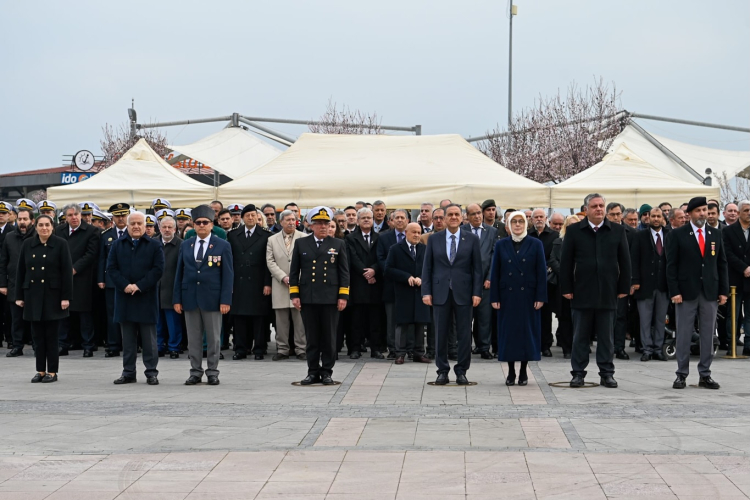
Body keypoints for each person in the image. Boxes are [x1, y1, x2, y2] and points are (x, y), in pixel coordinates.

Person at [560, 193, 631, 389]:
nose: (599, 209)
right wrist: (566, 287)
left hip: (608, 291)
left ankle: (607, 373)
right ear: (586, 210)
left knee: (606, 337)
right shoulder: (574, 231)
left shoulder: (617, 230)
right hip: (581, 291)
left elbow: (625, 261)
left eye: (601, 206)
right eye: (594, 206)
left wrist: (624, 286)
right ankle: (578, 373)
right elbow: (566, 262)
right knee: (580, 336)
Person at [666, 196, 728, 390]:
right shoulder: (677, 234)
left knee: (708, 334)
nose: (703, 214)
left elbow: (721, 263)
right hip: (686, 292)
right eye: (698, 210)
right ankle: (681, 374)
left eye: (705, 210)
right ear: (690, 214)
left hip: (709, 291)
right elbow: (671, 265)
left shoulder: (715, 234)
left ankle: (705, 374)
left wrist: (723, 291)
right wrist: (674, 291)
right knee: (684, 333)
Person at [422, 203, 483, 385]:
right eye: (450, 214)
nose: (454, 217)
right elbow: (427, 267)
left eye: (457, 214)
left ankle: (462, 370)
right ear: (445, 218)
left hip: (464, 293)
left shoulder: (472, 239)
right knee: (440, 333)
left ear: (462, 217)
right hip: (440, 292)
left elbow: (477, 269)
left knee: (464, 334)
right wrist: (426, 291)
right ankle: (442, 371)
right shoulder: (434, 239)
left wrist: (477, 292)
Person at [173, 205, 234, 386]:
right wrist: (177, 299)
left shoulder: (222, 245)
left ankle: (213, 371)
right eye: (198, 222)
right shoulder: (186, 244)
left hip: (213, 298)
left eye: (205, 222)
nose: (201, 225)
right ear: (193, 224)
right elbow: (179, 273)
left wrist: (225, 300)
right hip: (190, 297)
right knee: (193, 339)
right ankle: (195, 371)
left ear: (211, 224)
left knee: (214, 338)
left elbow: (228, 275)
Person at [289, 206, 350, 385]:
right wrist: (295, 294)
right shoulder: (301, 243)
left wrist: (343, 296)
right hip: (308, 297)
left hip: (330, 297)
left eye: (326, 223)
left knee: (329, 337)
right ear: (311, 225)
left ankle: (327, 372)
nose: (323, 226)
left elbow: (344, 273)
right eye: (319, 223)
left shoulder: (338, 244)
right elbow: (294, 272)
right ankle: (312, 371)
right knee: (312, 337)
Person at [107, 212, 164, 385]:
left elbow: (158, 270)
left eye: (140, 223)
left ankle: (151, 372)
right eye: (133, 224)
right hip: (125, 298)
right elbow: (112, 269)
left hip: (146, 298)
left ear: (145, 225)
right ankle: (128, 372)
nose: (136, 226)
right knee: (128, 341)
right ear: (128, 225)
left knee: (149, 341)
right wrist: (125, 285)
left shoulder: (154, 245)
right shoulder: (117, 245)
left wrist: (139, 286)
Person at [490, 211, 547, 385]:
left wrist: (540, 296)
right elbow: (495, 272)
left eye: (520, 221)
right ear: (508, 225)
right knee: (509, 334)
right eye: (513, 221)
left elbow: (541, 272)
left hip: (528, 296)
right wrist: (494, 296)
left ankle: (523, 370)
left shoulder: (535, 244)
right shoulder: (501, 244)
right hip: (507, 296)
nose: (517, 224)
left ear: (526, 224)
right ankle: (511, 371)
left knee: (526, 334)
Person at [15, 215, 73, 383]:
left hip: (52, 296)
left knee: (51, 337)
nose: (44, 228)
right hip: (32, 295)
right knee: (37, 337)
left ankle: (52, 371)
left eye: (47, 225)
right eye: (41, 225)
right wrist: (18, 295)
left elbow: (66, 272)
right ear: (36, 226)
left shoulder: (61, 244)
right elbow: (21, 271)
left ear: (52, 226)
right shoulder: (28, 244)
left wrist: (66, 297)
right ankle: (40, 370)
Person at [227, 204, 272, 360]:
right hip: (239, 281)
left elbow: (268, 262)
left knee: (259, 318)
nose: (251, 218)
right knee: (239, 317)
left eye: (253, 215)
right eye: (248, 216)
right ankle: (240, 348)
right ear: (242, 218)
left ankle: (259, 349)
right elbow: (229, 261)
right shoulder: (233, 235)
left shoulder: (266, 235)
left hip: (258, 281)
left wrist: (267, 283)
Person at [55, 203, 100, 357]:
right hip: (62, 277)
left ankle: (88, 345)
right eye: (70, 215)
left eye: (76, 214)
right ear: (65, 217)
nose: (74, 217)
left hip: (83, 278)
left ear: (80, 215)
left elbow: (91, 254)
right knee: (63, 312)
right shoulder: (59, 230)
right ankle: (62, 344)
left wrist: (74, 269)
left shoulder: (92, 231)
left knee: (84, 314)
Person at [386, 222, 431, 364]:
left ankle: (419, 353)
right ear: (406, 233)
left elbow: (430, 268)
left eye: (419, 232)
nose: (417, 235)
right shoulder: (395, 249)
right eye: (414, 232)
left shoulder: (425, 249)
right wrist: (406, 277)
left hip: (420, 292)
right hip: (403, 292)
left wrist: (422, 278)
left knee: (420, 324)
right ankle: (400, 353)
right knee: (402, 323)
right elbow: (388, 269)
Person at [266, 209, 308, 361]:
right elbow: (270, 261)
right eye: (288, 220)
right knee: (281, 321)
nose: (291, 222)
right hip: (280, 284)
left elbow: (307, 261)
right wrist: (283, 277)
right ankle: (282, 349)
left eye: (293, 220)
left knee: (300, 320)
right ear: (281, 222)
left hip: (299, 285)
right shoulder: (272, 239)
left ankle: (301, 349)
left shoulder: (304, 238)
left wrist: (296, 278)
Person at [345, 208, 385, 359]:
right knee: (356, 319)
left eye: (369, 217)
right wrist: (366, 273)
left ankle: (376, 349)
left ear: (373, 220)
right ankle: (355, 348)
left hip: (375, 283)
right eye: (363, 218)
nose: (366, 220)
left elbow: (381, 257)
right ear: (358, 220)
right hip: (358, 283)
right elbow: (353, 258)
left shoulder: (379, 237)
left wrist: (374, 270)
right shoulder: (350, 238)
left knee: (375, 319)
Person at [630, 207, 669, 362]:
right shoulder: (640, 236)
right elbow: (634, 259)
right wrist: (635, 281)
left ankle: (658, 349)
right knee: (645, 320)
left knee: (660, 319)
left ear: (663, 218)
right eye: (653, 216)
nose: (656, 219)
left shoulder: (670, 235)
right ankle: (647, 349)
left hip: (664, 285)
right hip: (644, 285)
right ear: (648, 218)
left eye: (658, 216)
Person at [463, 203, 497, 359]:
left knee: (484, 317)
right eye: (473, 214)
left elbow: (494, 256)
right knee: (465, 317)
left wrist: (490, 277)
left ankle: (484, 347)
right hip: (466, 282)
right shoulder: (462, 231)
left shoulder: (492, 231)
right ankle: (465, 347)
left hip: (485, 282)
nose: (477, 216)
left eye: (478, 213)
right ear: (467, 216)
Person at [0, 207, 36, 356]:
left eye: (25, 219)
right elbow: (3, 262)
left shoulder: (38, 236)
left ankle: (37, 346)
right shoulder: (9, 237)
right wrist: (3, 284)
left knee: (35, 318)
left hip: (34, 284)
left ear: (32, 221)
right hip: (14, 283)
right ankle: (17, 346)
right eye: (20, 219)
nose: (22, 222)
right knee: (16, 319)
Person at [97, 203, 130, 357]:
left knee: (130, 313)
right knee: (112, 314)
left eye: (123, 215)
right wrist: (101, 279)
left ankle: (130, 344)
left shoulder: (133, 233)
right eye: (117, 216)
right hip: (111, 281)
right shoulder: (106, 235)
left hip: (130, 281)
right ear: (113, 218)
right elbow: (101, 259)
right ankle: (113, 345)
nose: (121, 218)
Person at [377, 209, 409, 357]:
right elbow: (381, 259)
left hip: (409, 285)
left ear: (407, 221)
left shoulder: (413, 235)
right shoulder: (383, 238)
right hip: (390, 284)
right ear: (391, 221)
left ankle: (409, 348)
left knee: (408, 318)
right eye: (397, 218)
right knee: (391, 319)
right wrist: (397, 274)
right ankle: (393, 349)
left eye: (403, 217)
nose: (400, 220)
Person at [528, 208, 559, 357]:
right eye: (536, 217)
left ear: (546, 218)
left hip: (547, 280)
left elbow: (555, 256)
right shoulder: (527, 235)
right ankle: (532, 343)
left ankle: (545, 345)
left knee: (546, 314)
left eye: (541, 216)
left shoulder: (554, 235)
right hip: (530, 279)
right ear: (532, 219)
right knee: (530, 313)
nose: (539, 219)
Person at [548, 215, 579, 358]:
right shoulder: (558, 242)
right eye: (570, 225)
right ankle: (567, 348)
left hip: (580, 284)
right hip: (563, 284)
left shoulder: (585, 241)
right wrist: (566, 273)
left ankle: (579, 346)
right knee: (565, 317)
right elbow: (552, 260)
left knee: (580, 318)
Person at [723, 200, 750, 355]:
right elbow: (727, 253)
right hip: (734, 278)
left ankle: (748, 345)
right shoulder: (728, 231)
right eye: (746, 210)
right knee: (733, 314)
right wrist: (744, 267)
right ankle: (731, 344)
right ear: (739, 213)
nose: (749, 213)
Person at [155, 216, 183, 358]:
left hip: (172, 289)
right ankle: (158, 346)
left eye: (169, 227)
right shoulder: (152, 243)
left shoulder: (181, 245)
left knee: (174, 323)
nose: (167, 230)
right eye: (164, 227)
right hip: (154, 289)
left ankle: (174, 347)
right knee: (157, 322)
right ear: (159, 228)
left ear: (175, 229)